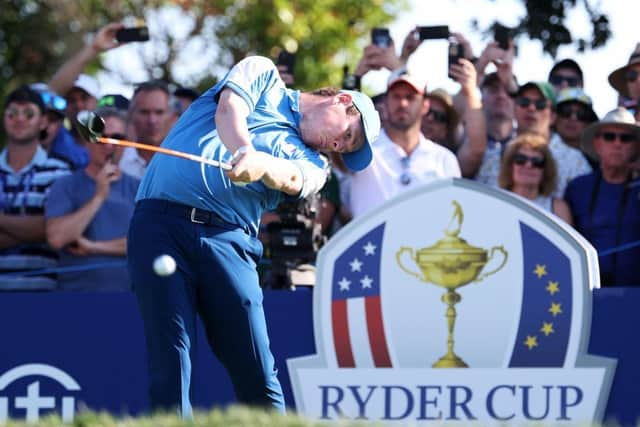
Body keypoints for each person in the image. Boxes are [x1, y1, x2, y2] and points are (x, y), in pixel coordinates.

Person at [126, 55, 380, 415]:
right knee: (171, 356)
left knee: (255, 368)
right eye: (347, 135)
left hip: (228, 240)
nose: (338, 145)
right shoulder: (263, 73)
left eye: (345, 148)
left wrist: (260, 166)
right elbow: (229, 110)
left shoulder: (316, 165)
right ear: (342, 100)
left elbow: (290, 178)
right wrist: (244, 149)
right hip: (159, 224)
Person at [45, 107, 139, 291]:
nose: (109, 146)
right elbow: (56, 238)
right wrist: (98, 197)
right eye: (101, 138)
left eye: (117, 138)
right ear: (87, 140)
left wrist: (93, 247)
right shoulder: (65, 185)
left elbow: (146, 244)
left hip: (129, 299)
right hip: (75, 299)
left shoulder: (141, 188)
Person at [348, 68, 460, 218]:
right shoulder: (360, 149)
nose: (403, 103)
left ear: (425, 105)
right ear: (385, 102)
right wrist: (357, 73)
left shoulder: (444, 159)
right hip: (372, 241)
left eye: (410, 97)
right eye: (396, 96)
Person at [0, 86, 70, 289]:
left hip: (42, 294)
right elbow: (43, 229)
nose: (19, 119)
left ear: (43, 122)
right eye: (12, 113)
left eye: (29, 114)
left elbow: (52, 231)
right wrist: (33, 227)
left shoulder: (60, 172)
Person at [565, 108, 640, 287]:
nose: (617, 143)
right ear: (597, 144)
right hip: (587, 294)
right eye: (609, 137)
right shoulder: (577, 189)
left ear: (636, 147)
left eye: (625, 138)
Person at [498, 133, 572, 223]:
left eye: (537, 162)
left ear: (546, 170)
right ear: (510, 166)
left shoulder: (558, 209)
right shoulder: (496, 201)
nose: (528, 165)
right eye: (521, 159)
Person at [118, 80, 174, 179]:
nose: (152, 120)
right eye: (144, 112)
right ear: (131, 115)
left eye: (159, 112)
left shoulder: (186, 162)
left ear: (172, 117)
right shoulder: (118, 161)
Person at [421, 88, 460, 153]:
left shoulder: (447, 160)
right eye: (427, 111)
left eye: (439, 116)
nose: (430, 118)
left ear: (446, 130)